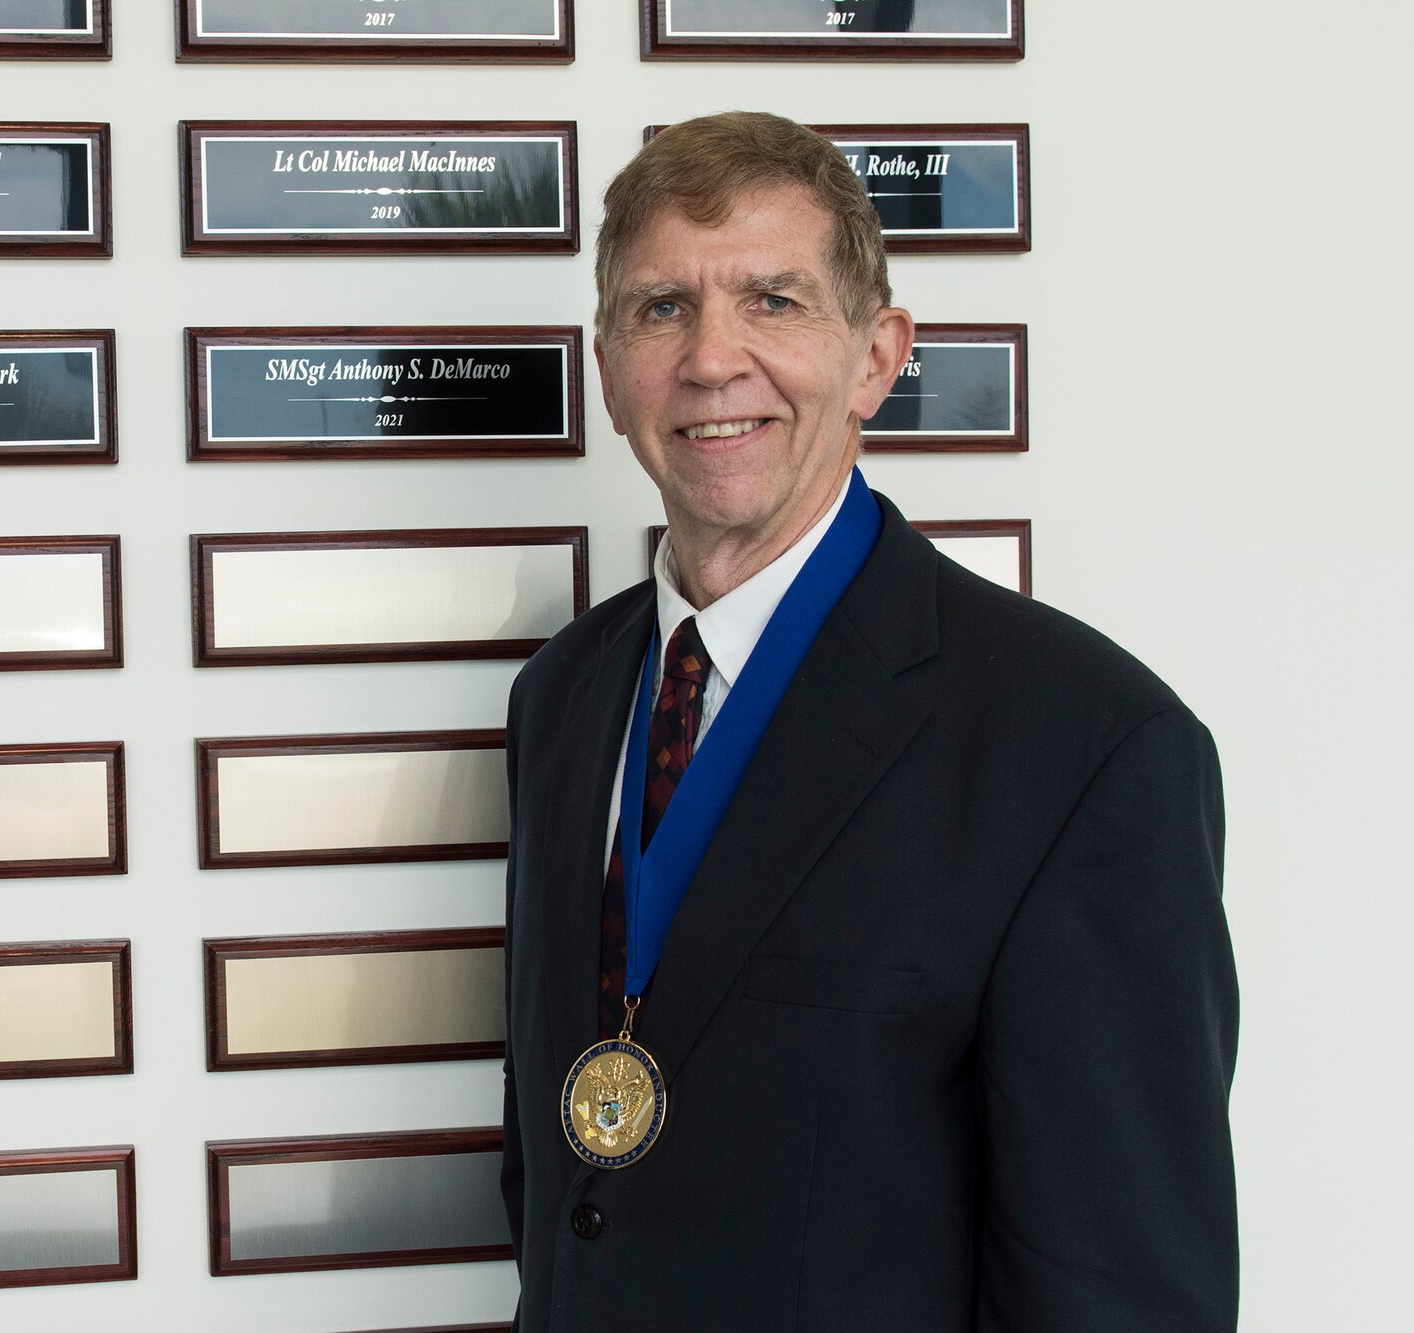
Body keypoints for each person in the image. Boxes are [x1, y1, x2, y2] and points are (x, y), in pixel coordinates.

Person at [498, 111, 1238, 1331]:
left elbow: (1119, 1295)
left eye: (773, 301)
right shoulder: (562, 696)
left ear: (876, 357)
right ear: (606, 365)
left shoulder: (1084, 748)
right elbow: (558, 1172)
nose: (710, 359)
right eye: (660, 307)